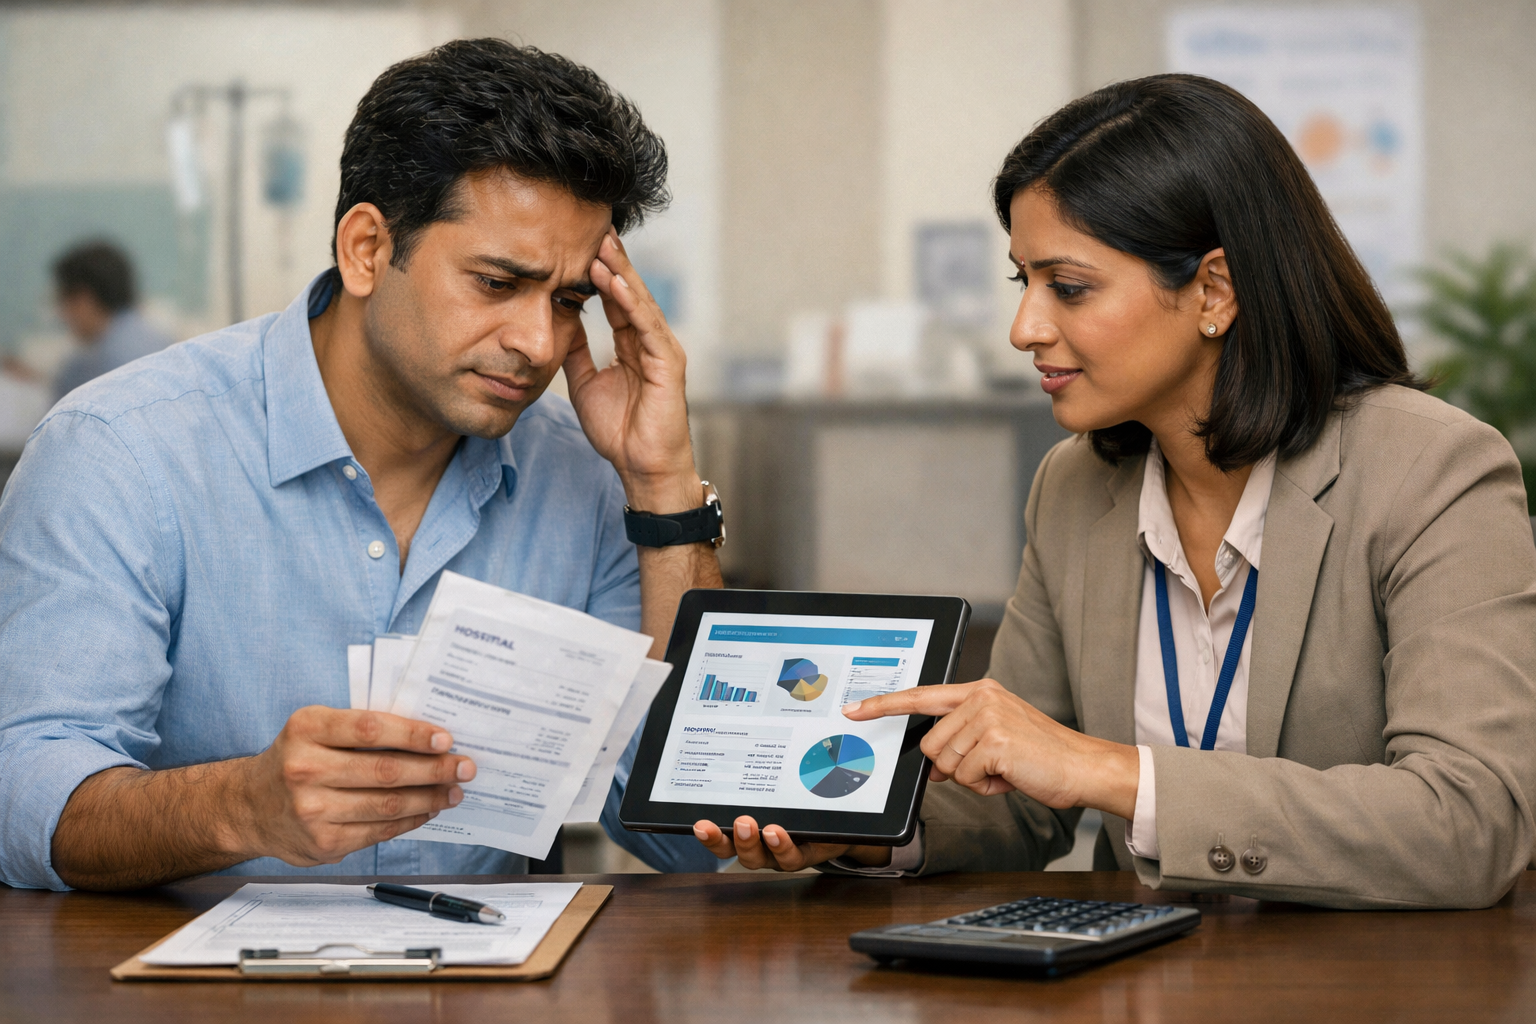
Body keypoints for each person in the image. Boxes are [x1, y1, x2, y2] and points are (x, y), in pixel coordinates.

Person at [694, 74, 1536, 909]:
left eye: (1069, 286)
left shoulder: (1434, 472)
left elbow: (1470, 822)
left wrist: (1110, 770)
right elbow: (1019, 797)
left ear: (1214, 290)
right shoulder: (1074, 488)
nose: (1026, 327)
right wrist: (867, 827)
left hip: (1364, 987)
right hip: (1135, 982)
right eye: (1023, 282)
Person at [0, 39, 724, 891]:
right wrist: (240, 806)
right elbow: (25, 795)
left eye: (569, 301)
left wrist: (664, 486)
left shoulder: (588, 478)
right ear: (368, 249)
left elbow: (687, 832)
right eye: (497, 283)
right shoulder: (122, 450)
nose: (539, 344)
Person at [2, 241, 171, 402]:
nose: (62, 315)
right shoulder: (156, 339)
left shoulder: (100, 362)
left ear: (84, 299)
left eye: (62, 301)